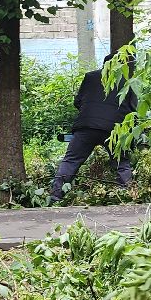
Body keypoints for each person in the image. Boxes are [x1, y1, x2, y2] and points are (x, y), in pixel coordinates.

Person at [50, 48, 136, 203]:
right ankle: (127, 196)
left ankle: (55, 196)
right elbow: (133, 110)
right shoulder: (128, 83)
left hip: (86, 127)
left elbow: (77, 102)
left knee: (71, 160)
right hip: (114, 130)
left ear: (104, 65)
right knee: (122, 164)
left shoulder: (90, 77)